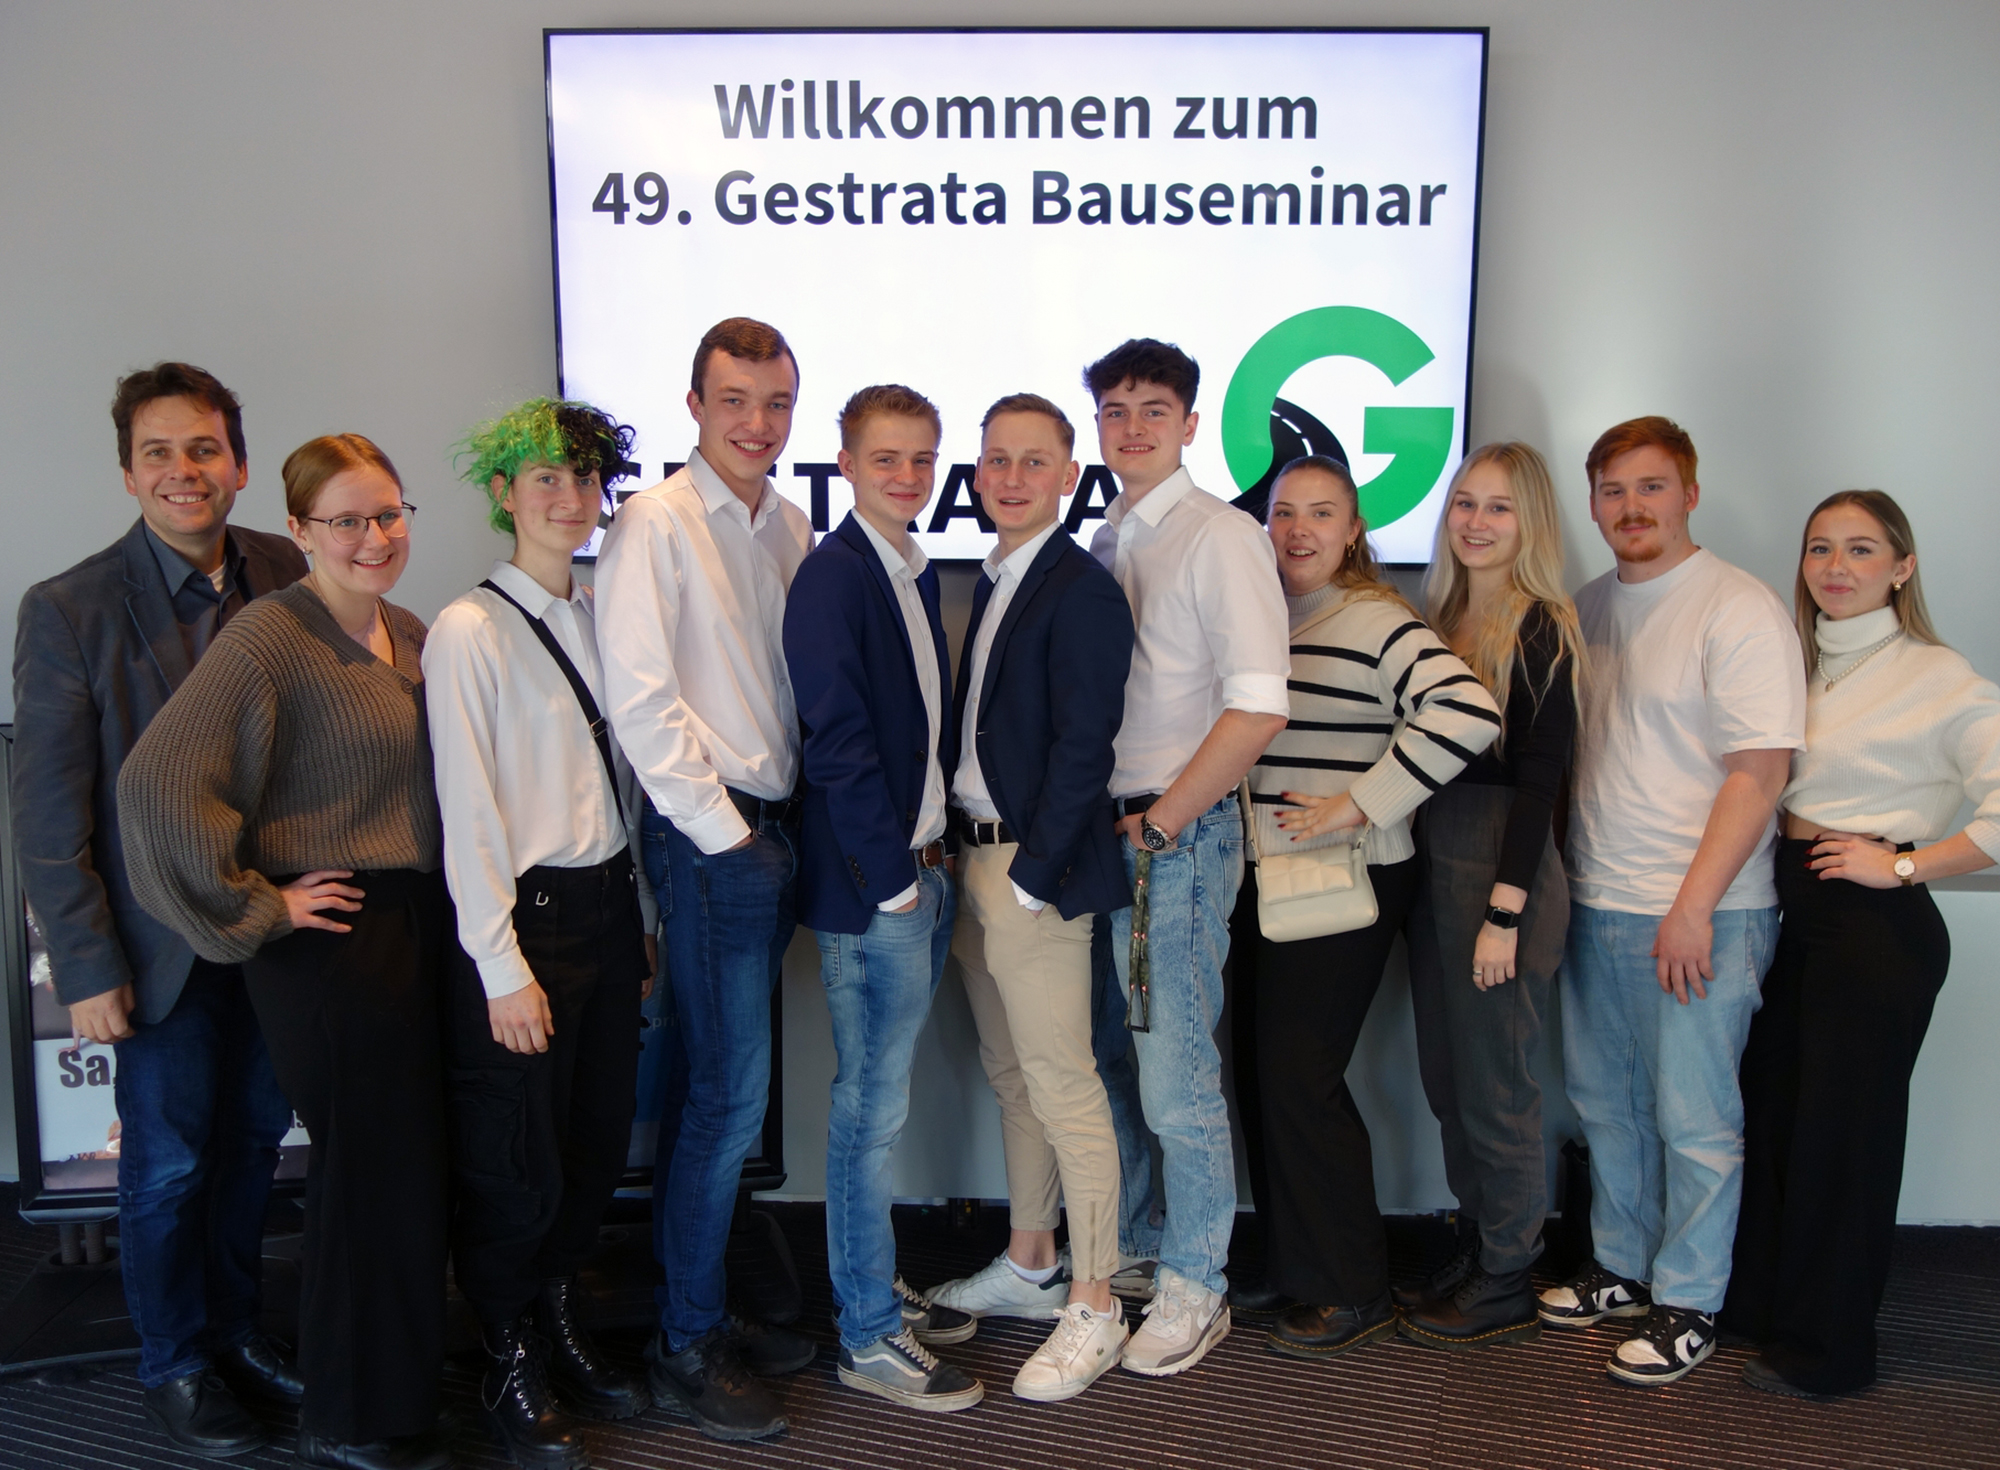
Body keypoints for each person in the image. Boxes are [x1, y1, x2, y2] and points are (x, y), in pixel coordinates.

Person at [119, 434, 454, 1470]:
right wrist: (257, 905)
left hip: (414, 924)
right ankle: (352, 1421)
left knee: (405, 1169)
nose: (374, 536)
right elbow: (156, 787)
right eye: (346, 520)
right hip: (333, 942)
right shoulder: (269, 636)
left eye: (388, 513)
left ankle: (396, 1393)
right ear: (300, 530)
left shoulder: (410, 630)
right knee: (363, 1176)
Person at [10, 363, 307, 1458]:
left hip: (275, 929)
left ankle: (235, 1334)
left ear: (238, 463)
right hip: (157, 948)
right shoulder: (68, 608)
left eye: (204, 449)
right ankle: (174, 1364)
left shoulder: (289, 569)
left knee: (254, 1144)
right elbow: (50, 817)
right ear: (128, 473)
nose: (184, 471)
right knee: (169, 1164)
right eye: (158, 453)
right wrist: (86, 968)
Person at [1538, 415, 1805, 1387]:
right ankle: (1621, 1266)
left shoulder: (1736, 607)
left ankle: (1690, 1299)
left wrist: (1692, 906)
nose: (1630, 507)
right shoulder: (1587, 608)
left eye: (1650, 487)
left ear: (1689, 493)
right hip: (1597, 899)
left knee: (1695, 1121)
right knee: (1605, 1106)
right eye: (1612, 490)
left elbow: (1759, 771)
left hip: (1703, 912)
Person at [425, 400, 661, 1466]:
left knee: (593, 1141)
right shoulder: (469, 630)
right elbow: (467, 807)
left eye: (583, 478)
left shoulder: (601, 613)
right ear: (503, 494)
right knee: (514, 1158)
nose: (569, 498)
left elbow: (623, 788)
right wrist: (499, 965)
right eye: (544, 479)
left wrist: (638, 920)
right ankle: (505, 1353)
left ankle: (560, 1320)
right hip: (529, 925)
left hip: (607, 912)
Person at [1723, 490, 2000, 1397]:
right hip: (1797, 915)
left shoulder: (1937, 674)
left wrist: (1907, 864)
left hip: (1875, 930)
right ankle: (1761, 1313)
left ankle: (1828, 1354)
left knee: (1845, 1145)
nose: (1836, 568)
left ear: (1903, 566)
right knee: (1774, 1117)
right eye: (1819, 548)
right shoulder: (1797, 665)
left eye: (1861, 549)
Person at [594, 317, 817, 1442]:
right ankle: (686, 1340)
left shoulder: (789, 523)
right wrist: (728, 838)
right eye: (734, 400)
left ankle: (702, 1303)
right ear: (694, 406)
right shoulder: (656, 521)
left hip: (771, 830)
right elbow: (640, 703)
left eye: (775, 403)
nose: (756, 423)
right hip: (711, 837)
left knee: (706, 1089)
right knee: (727, 1099)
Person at [1232, 456, 1499, 1361]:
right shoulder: (1266, 617)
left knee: (1301, 1078)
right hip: (1263, 877)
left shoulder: (1377, 620)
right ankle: (1296, 1265)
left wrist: (1360, 803)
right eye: (1283, 513)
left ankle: (1351, 1289)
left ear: (1353, 531)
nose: (1298, 530)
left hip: (1344, 881)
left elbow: (1469, 713)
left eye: (1321, 514)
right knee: (1265, 1077)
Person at [1084, 339, 1291, 1378]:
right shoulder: (1108, 536)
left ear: (1190, 424)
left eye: (1153, 410)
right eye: (1115, 411)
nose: (1132, 428)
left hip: (1177, 836)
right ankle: (1143, 1247)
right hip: (1106, 835)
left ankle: (1197, 1284)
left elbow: (1258, 705)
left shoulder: (1220, 536)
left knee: (1175, 1080)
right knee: (1116, 1062)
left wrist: (1165, 823)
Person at [923, 394, 1137, 1402]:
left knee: (1064, 1085)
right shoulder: (997, 574)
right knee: (1012, 1077)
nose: (1011, 479)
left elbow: (1086, 748)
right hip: (971, 862)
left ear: (1068, 476)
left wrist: (1032, 877)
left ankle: (1095, 1301)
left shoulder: (1080, 589)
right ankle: (1031, 1258)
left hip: (1028, 874)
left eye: (1033, 461)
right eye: (996, 461)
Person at [782, 384, 983, 1412]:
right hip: (880, 892)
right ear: (846, 464)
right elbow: (838, 743)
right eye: (885, 458)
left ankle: (875, 1286)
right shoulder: (833, 576)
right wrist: (895, 884)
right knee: (868, 1113)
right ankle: (866, 1335)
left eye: (921, 459)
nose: (906, 476)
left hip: (923, 871)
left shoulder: (913, 565)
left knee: (881, 1107)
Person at [1397, 443, 1584, 1348]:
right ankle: (1481, 1242)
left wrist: (1504, 913)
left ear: (1530, 523)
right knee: (1449, 1080)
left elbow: (1541, 783)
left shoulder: (1542, 626)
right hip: (1434, 860)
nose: (1475, 522)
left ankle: (1509, 1271)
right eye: (1465, 503)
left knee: (1498, 1087)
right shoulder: (1435, 620)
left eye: (1498, 507)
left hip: (1500, 868)